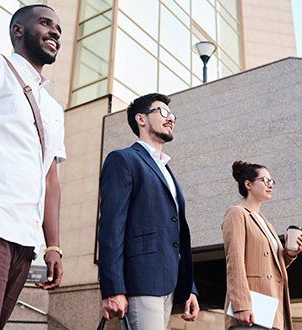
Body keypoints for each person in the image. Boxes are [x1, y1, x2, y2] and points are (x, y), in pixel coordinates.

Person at [0, 4, 66, 330]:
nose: (55, 31)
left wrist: (52, 245)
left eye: (58, 28)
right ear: (18, 30)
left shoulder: (53, 109)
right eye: (45, 23)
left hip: (25, 243)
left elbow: (50, 179)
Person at [98, 93, 199, 330]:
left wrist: (189, 288)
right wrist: (113, 288)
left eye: (172, 115)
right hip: (140, 281)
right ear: (141, 119)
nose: (170, 118)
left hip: (169, 286)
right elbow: (111, 226)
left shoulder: (167, 170)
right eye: (162, 112)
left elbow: (176, 236)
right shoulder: (123, 159)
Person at [222, 161, 302, 330]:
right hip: (251, 309)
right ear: (248, 184)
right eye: (265, 180)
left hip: (271, 309)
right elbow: (234, 261)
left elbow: (271, 268)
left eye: (272, 181)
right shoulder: (237, 213)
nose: (270, 185)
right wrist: (241, 305)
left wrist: (289, 253)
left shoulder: (266, 223)